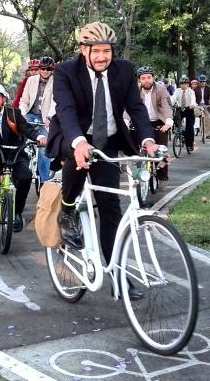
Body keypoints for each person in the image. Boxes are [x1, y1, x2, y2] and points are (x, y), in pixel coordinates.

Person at [47, 22, 156, 282]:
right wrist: (79, 143)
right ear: (83, 50)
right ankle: (67, 208)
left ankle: (118, 275)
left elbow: (136, 108)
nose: (101, 57)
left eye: (106, 51)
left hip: (106, 139)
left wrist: (148, 140)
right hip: (72, 134)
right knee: (78, 160)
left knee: (111, 208)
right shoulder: (65, 71)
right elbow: (66, 110)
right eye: (95, 51)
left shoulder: (125, 71)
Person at [0, 82, 46, 232]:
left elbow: (27, 129)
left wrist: (39, 137)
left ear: (4, 99)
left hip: (16, 154)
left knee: (25, 177)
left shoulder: (14, 113)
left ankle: (17, 212)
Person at [19, 55, 56, 183]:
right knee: (21, 143)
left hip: (46, 117)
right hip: (30, 114)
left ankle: (44, 182)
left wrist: (50, 117)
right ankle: (19, 173)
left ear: (52, 69)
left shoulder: (56, 81)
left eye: (48, 68)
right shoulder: (31, 80)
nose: (45, 71)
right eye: (43, 68)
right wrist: (22, 114)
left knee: (43, 147)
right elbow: (24, 100)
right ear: (39, 69)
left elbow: (55, 102)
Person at [135, 65, 173, 188]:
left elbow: (166, 106)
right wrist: (125, 121)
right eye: (143, 78)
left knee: (161, 152)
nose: (147, 80)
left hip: (159, 123)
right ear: (139, 80)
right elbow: (128, 108)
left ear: (153, 78)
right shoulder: (135, 90)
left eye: (149, 77)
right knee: (138, 150)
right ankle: (141, 172)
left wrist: (168, 122)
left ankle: (162, 176)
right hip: (142, 123)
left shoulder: (161, 89)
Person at [172, 76, 197, 154]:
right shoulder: (177, 91)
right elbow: (173, 98)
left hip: (189, 109)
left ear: (188, 85)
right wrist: (170, 104)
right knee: (175, 120)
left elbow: (193, 99)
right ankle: (179, 133)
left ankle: (190, 144)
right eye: (182, 84)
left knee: (190, 127)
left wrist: (192, 105)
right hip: (180, 109)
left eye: (185, 84)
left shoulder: (191, 92)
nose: (183, 85)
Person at [195, 74, 210, 140]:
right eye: (201, 81)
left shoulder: (208, 88)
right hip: (198, 105)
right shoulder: (196, 89)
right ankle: (197, 126)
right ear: (199, 82)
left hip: (206, 105)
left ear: (205, 82)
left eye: (204, 81)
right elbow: (193, 98)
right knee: (196, 114)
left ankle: (208, 134)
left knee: (208, 119)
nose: (202, 83)